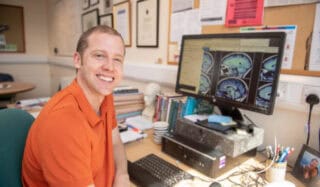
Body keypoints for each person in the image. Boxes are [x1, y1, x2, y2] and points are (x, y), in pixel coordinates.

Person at [22, 25, 130, 187]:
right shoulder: (62, 122)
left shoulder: (104, 96)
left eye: (117, 59)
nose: (110, 66)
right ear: (78, 60)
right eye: (99, 55)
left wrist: (122, 175)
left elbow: (115, 143)